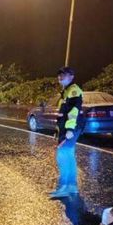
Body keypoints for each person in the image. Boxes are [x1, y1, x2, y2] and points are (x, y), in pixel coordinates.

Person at [50, 67, 83, 198]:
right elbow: (63, 114)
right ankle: (71, 186)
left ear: (71, 77)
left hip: (72, 127)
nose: (60, 77)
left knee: (63, 157)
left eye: (63, 75)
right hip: (68, 128)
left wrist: (70, 129)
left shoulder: (73, 90)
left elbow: (73, 111)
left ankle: (64, 187)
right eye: (59, 75)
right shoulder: (66, 91)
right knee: (68, 156)